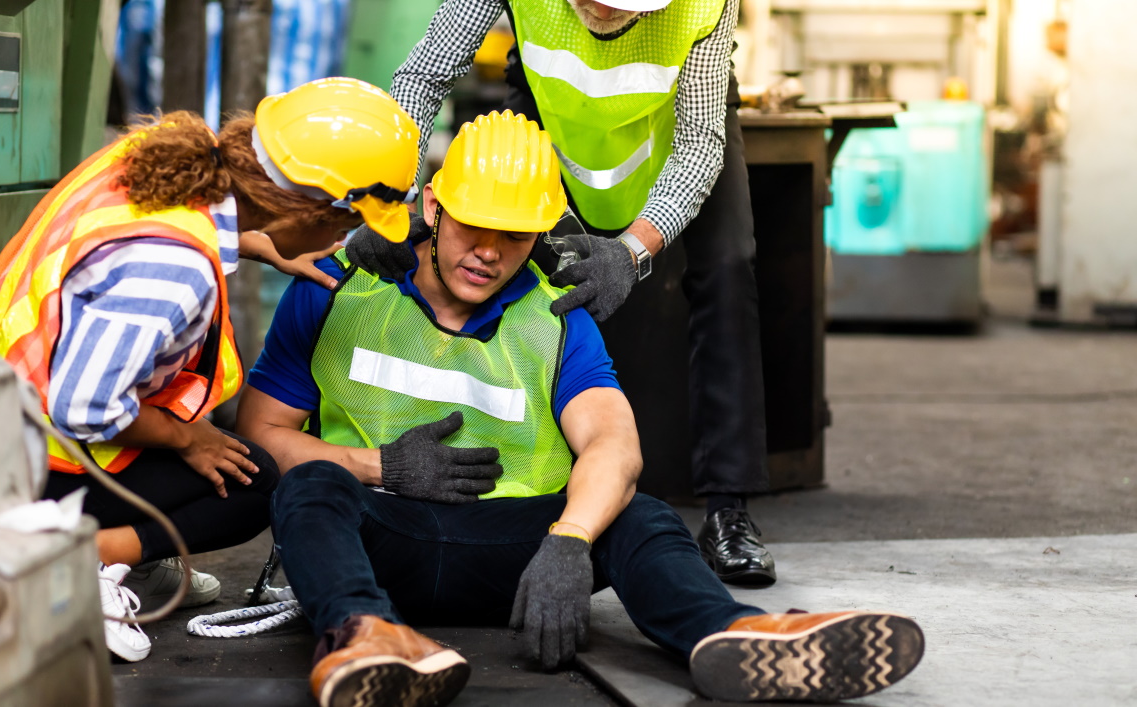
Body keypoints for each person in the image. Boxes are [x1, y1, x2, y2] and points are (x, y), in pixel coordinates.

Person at [237, 111, 922, 707]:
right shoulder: (337, 286)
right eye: (474, 224)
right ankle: (364, 638)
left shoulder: (557, 313)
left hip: (515, 556)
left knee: (640, 511)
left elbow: (614, 445)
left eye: (515, 234)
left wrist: (569, 540)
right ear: (434, 209)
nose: (488, 251)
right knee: (311, 486)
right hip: (379, 536)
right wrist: (378, 463)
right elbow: (261, 435)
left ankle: (733, 633)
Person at [0, 77, 420, 663]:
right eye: (343, 222)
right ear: (308, 210)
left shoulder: (168, 150)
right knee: (250, 482)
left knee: (226, 462)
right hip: (23, 460)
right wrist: (186, 436)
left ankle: (127, 555)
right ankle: (66, 564)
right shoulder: (172, 269)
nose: (342, 238)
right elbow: (83, 407)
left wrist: (259, 243)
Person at [346, 0, 776, 587]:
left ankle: (730, 511)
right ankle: (541, 482)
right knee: (531, 267)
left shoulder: (705, 5)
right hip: (551, 102)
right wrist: (385, 199)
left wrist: (632, 251)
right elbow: (425, 75)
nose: (603, 10)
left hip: (676, 121)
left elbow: (700, 144)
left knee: (729, 268)